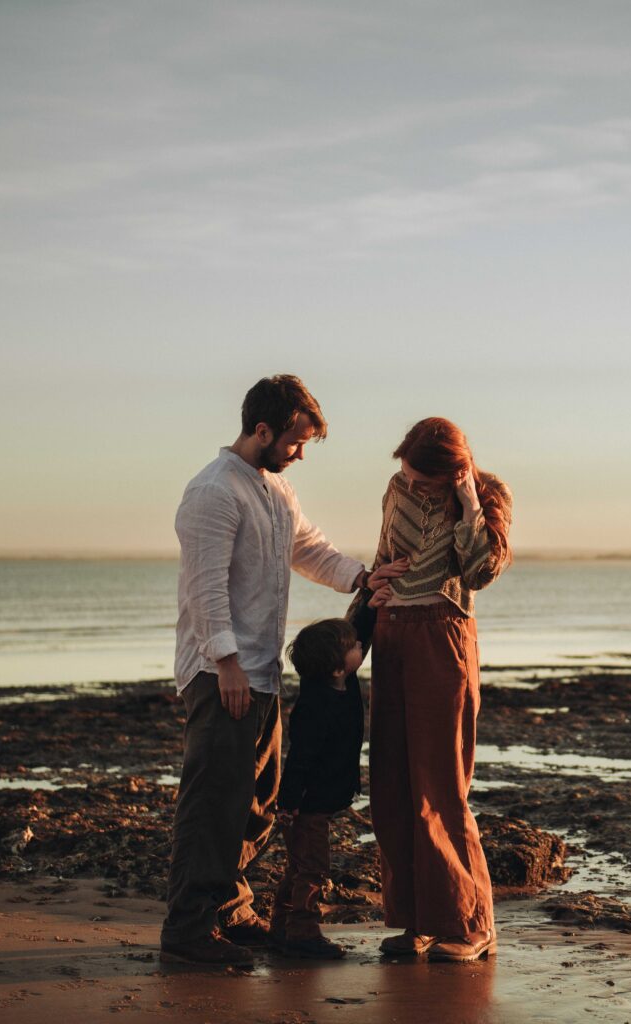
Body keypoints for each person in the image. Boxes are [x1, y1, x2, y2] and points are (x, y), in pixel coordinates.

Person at [160, 375, 405, 966]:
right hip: (222, 673)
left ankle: (230, 909)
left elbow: (309, 549)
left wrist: (362, 578)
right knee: (214, 803)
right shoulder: (214, 491)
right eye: (295, 441)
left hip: (261, 672)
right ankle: (188, 932)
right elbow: (204, 589)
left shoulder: (276, 491)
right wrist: (226, 663)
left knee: (256, 802)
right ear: (262, 429)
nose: (299, 453)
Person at [367, 417, 513, 963]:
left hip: (442, 635)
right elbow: (383, 559)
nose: (412, 484)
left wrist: (469, 504)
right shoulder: (396, 488)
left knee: (441, 784)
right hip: (391, 635)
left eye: (423, 479)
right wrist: (361, 618)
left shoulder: (486, 495)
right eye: (407, 473)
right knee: (392, 785)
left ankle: (471, 923)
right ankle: (419, 921)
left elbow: (479, 573)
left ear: (454, 472)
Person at [271, 618, 365, 959]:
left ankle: (282, 928)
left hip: (317, 802)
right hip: (304, 806)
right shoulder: (315, 705)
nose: (360, 647)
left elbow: (360, 633)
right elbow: (300, 758)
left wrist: (370, 604)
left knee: (299, 867)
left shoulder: (344, 683)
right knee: (312, 869)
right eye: (354, 646)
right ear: (337, 667)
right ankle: (302, 932)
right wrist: (289, 802)